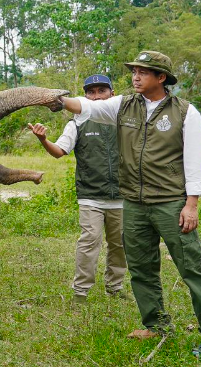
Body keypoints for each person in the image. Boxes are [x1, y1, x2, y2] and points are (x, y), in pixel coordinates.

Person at [58, 51, 201, 357]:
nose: (135, 77)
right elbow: (86, 106)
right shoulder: (123, 105)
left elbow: (195, 161)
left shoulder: (185, 112)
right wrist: (52, 98)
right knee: (141, 268)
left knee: (191, 268)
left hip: (170, 203)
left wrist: (191, 205)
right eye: (134, 71)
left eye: (143, 72)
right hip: (134, 204)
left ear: (161, 78)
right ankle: (156, 324)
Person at [28, 75, 127, 303]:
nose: (97, 96)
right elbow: (59, 151)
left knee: (120, 244)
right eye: (91, 92)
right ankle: (81, 291)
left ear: (112, 94)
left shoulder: (124, 120)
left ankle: (115, 287)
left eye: (102, 91)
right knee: (89, 241)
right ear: (84, 96)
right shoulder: (77, 123)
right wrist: (43, 140)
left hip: (122, 196)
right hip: (91, 196)